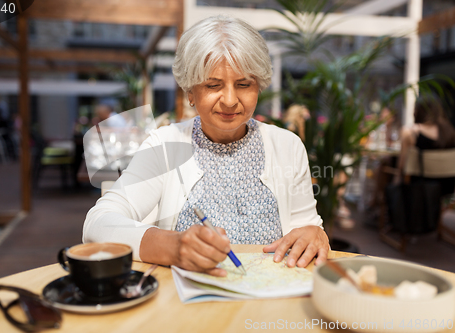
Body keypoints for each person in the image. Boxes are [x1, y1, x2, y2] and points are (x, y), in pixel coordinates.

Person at [83, 15, 329, 276]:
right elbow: (96, 224)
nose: (231, 100)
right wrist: (171, 246)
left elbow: (306, 228)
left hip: (269, 304)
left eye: (244, 84)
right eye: (213, 85)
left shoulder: (287, 145)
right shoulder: (165, 145)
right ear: (190, 91)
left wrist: (315, 235)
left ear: (259, 86)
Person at [394, 96, 455, 194]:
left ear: (417, 111)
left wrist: (396, 183)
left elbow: (402, 166)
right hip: (448, 189)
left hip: (420, 191)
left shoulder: (411, 132)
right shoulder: (449, 131)